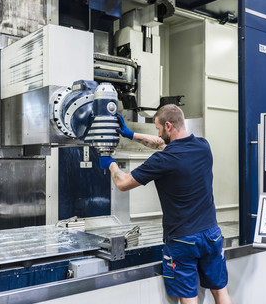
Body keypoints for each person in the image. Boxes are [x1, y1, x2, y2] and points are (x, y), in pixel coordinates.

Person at [99, 104, 233, 304]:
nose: (158, 133)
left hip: (183, 240)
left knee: (189, 299)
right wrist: (130, 134)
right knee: (221, 291)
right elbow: (161, 143)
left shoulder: (163, 160)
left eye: (158, 128)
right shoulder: (203, 146)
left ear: (168, 126)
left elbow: (123, 183)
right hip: (212, 235)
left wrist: (110, 163)